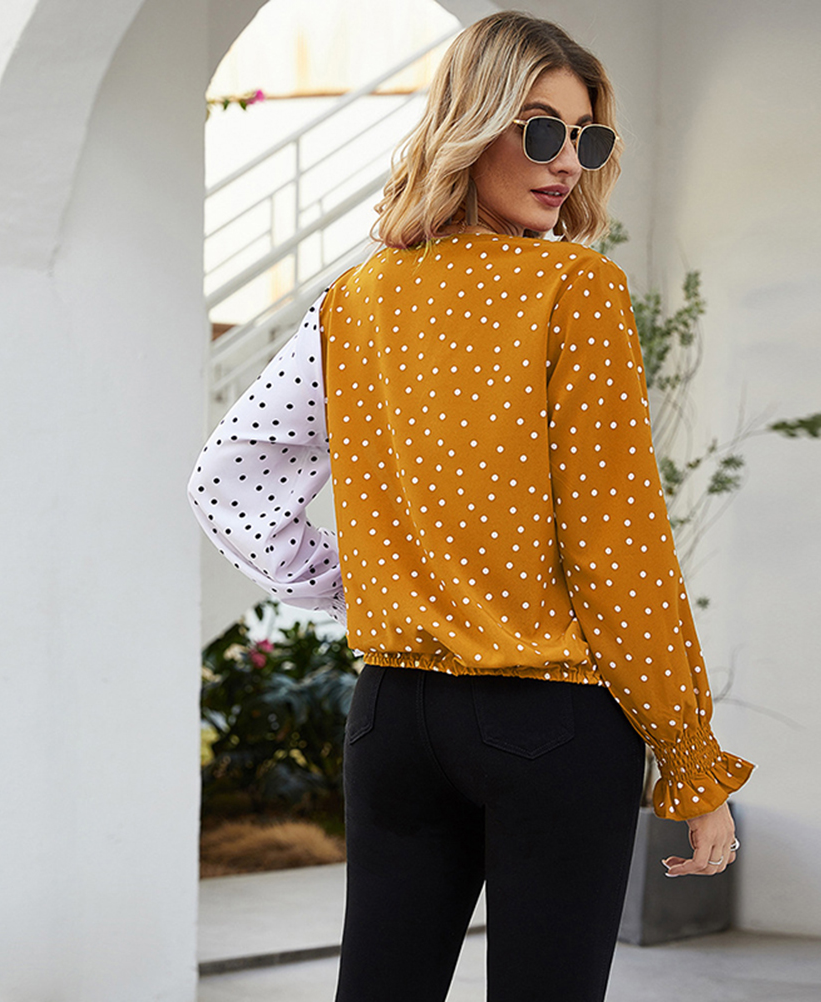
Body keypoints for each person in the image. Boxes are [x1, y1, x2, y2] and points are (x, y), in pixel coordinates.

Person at [188, 11, 755, 1001]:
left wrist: (355, 585)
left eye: (587, 138)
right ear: (472, 125)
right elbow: (618, 552)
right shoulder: (575, 289)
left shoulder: (357, 298)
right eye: (540, 130)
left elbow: (229, 477)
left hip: (393, 722)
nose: (566, 161)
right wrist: (692, 766)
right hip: (552, 720)